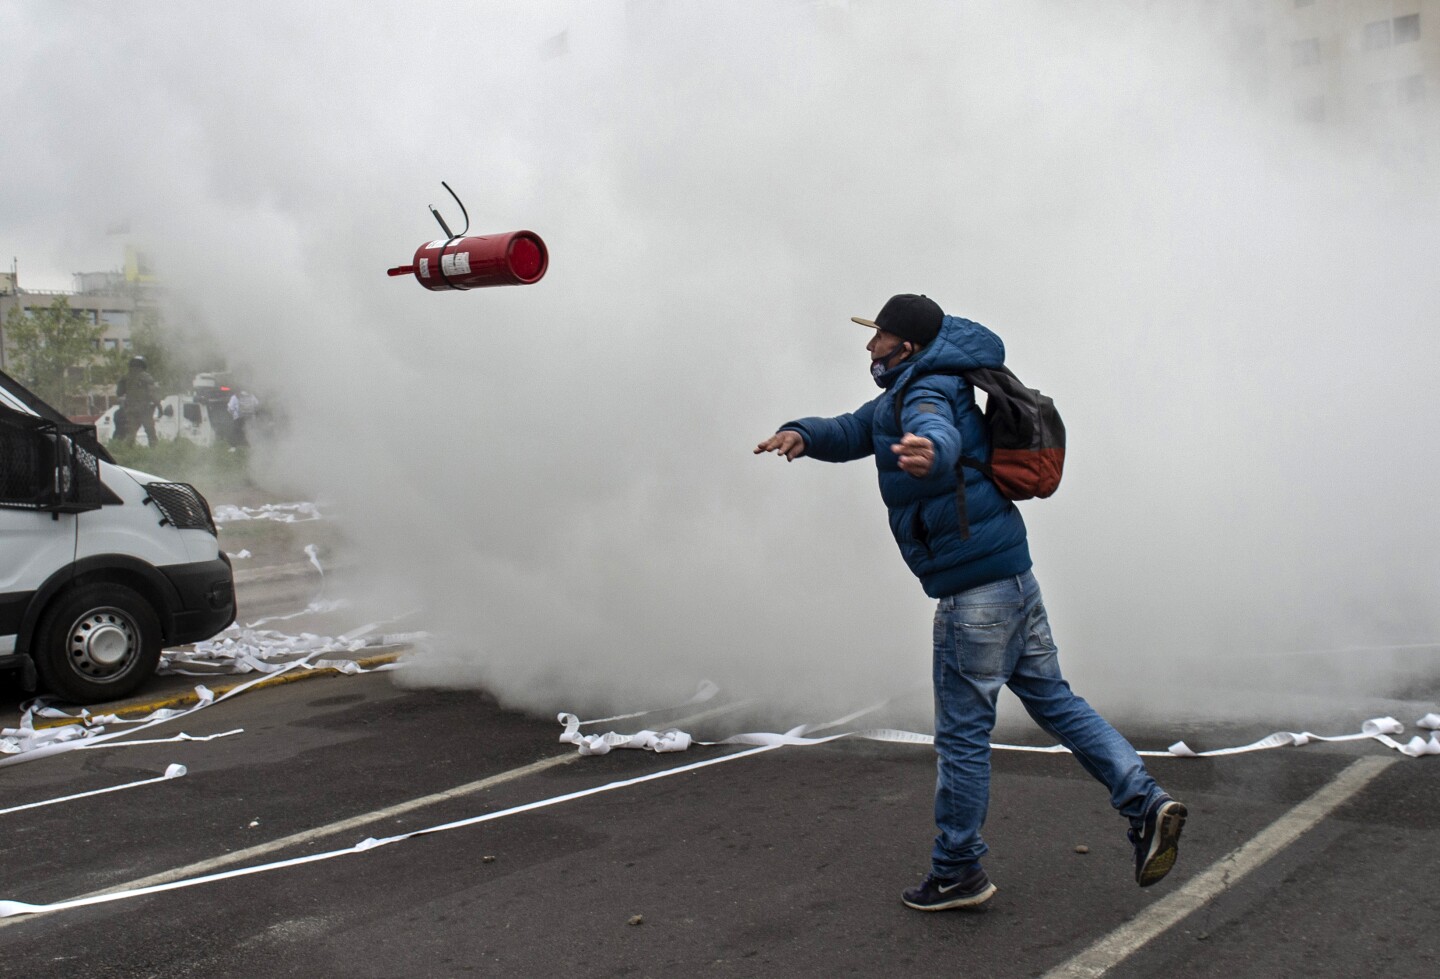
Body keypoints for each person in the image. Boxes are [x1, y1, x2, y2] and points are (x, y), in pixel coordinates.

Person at [754, 294, 1186, 911]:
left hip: (974, 598)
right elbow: (855, 429)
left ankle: (957, 870)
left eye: (879, 336)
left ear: (907, 345)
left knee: (961, 738)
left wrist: (933, 452)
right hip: (1013, 579)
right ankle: (1146, 803)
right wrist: (802, 433)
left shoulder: (925, 390)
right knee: (1057, 702)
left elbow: (937, 430)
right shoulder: (913, 385)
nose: (869, 345)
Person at [115, 355, 158, 446]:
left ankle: (127, 454)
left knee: (130, 434)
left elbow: (119, 393)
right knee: (151, 434)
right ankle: (155, 455)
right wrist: (159, 407)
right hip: (145, 410)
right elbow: (152, 394)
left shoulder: (125, 378)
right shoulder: (146, 377)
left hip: (131, 410)